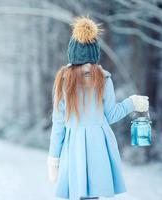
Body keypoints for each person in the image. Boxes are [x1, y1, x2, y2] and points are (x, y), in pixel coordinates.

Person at [47, 16, 149, 200]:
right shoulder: (103, 79)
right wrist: (132, 102)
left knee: (77, 194)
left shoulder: (62, 81)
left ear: (72, 53)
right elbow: (111, 115)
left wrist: (54, 159)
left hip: (74, 148)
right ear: (95, 54)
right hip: (99, 147)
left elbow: (58, 124)